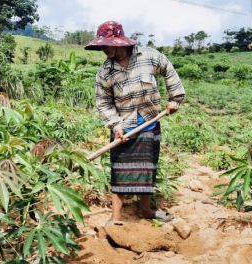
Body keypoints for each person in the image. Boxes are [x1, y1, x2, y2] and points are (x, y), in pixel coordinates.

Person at [84, 21, 185, 226]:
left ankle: (145, 209)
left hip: (149, 121)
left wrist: (175, 100)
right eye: (101, 46)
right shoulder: (105, 72)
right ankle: (115, 218)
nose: (103, 50)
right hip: (123, 126)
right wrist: (116, 126)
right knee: (119, 171)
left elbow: (169, 71)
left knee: (147, 168)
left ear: (119, 42)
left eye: (106, 45)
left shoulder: (149, 56)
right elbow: (103, 101)